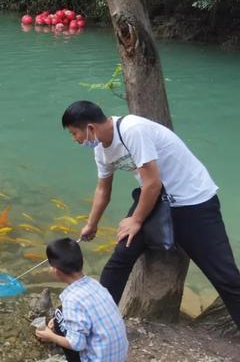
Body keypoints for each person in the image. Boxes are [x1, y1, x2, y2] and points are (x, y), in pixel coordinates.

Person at [62, 100, 240, 328]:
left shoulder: (131, 129)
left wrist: (136, 220)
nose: (75, 139)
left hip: (194, 202)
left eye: (74, 133)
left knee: (225, 276)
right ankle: (95, 323)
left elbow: (152, 183)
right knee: (120, 258)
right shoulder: (100, 149)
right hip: (157, 202)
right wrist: (91, 224)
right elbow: (102, 189)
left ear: (90, 128)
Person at [35, 238, 128, 362]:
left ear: (55, 271)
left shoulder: (71, 300)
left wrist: (50, 336)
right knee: (59, 314)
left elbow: (77, 345)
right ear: (82, 261)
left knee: (59, 315)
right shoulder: (94, 284)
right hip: (118, 356)